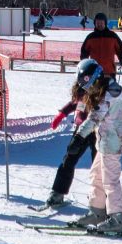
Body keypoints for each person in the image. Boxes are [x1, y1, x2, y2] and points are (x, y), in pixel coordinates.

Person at [67, 58, 122, 236]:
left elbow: (94, 118)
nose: (87, 90)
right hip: (104, 143)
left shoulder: (106, 97)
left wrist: (79, 137)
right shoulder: (111, 90)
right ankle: (97, 211)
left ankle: (117, 218)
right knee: (96, 175)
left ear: (94, 80)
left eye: (87, 86)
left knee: (110, 180)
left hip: (112, 144)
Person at [43, 67, 100, 210]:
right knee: (68, 160)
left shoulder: (101, 92)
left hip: (97, 132)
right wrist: (61, 114)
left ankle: (101, 200)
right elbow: (74, 103)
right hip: (80, 132)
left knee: (98, 166)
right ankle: (57, 194)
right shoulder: (81, 90)